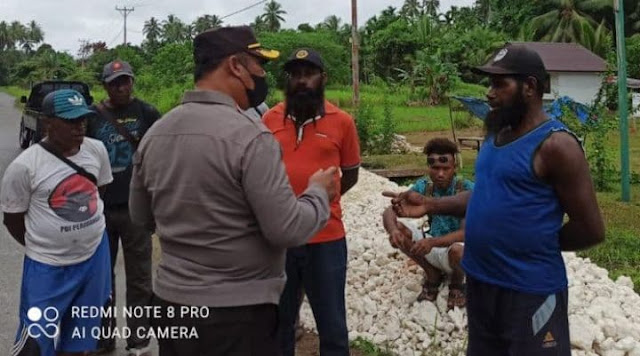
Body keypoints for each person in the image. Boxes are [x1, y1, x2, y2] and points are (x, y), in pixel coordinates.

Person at [384, 43, 605, 356]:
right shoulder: (494, 137)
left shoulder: (556, 146)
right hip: (482, 281)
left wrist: (532, 241)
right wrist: (431, 205)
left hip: (529, 290)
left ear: (529, 87)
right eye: (489, 83)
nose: (489, 93)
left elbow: (591, 229)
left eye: (499, 84)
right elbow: (486, 198)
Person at [128, 26, 337, 356]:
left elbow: (140, 216)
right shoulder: (251, 138)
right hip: (235, 315)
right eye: (258, 64)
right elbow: (287, 228)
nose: (262, 74)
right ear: (235, 66)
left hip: (171, 304)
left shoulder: (156, 134)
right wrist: (317, 194)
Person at [262, 48, 361, 356]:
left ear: (323, 79)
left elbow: (351, 174)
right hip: (280, 240)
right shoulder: (269, 120)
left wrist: (316, 208)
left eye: (309, 74)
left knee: (332, 326)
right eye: (295, 75)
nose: (302, 81)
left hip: (326, 238)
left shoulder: (342, 122)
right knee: (279, 324)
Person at [1, 89, 113, 356]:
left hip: (94, 258)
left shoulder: (96, 150)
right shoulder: (25, 166)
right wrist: (46, 244)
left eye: (83, 119)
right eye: (70, 120)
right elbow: (13, 219)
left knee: (81, 341)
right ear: (48, 123)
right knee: (34, 345)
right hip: (48, 268)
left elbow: (99, 192)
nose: (79, 126)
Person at [85, 59, 160, 356]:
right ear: (105, 86)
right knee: (103, 278)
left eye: (125, 80)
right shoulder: (91, 117)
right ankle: (104, 340)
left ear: (133, 82)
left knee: (140, 277)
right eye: (115, 82)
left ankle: (138, 341)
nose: (121, 87)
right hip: (99, 209)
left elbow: (160, 153)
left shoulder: (148, 113)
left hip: (136, 210)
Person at [382, 138, 473, 310]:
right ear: (428, 168)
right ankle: (432, 275)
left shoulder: (466, 189)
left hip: (456, 249)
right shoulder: (424, 186)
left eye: (445, 168)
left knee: (459, 250)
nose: (440, 174)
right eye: (435, 168)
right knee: (401, 230)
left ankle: (457, 284)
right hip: (432, 246)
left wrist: (432, 242)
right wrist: (393, 230)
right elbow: (390, 211)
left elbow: (466, 234)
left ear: (454, 168)